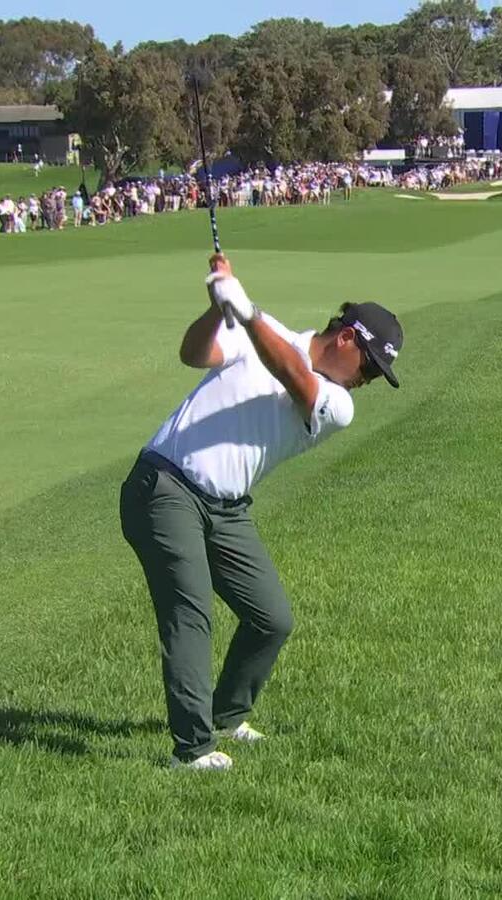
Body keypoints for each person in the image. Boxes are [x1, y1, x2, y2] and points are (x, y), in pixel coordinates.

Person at [120, 253, 404, 772]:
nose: (367, 379)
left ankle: (228, 714)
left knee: (271, 618)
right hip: (163, 488)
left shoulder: (337, 404)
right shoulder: (263, 329)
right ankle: (193, 750)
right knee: (190, 613)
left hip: (227, 510)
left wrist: (246, 313)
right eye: (370, 366)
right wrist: (218, 308)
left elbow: (293, 375)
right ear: (346, 339)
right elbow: (193, 354)